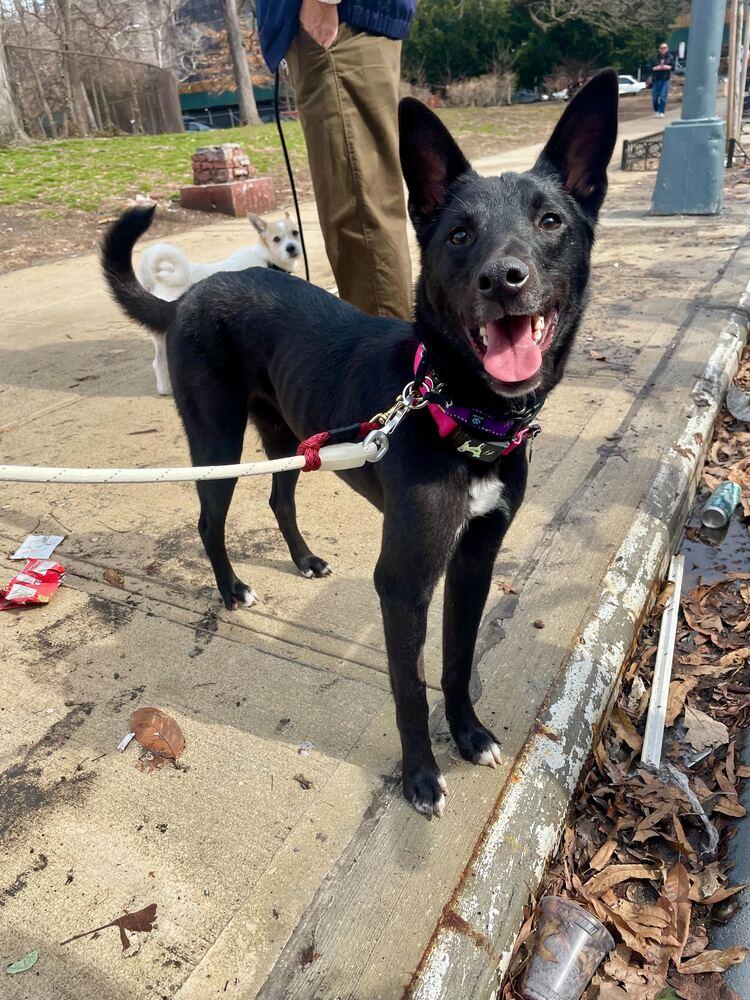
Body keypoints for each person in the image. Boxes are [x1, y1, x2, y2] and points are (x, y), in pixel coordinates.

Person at [256, 0, 416, 322]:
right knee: (366, 205)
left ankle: (388, 365)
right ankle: (396, 354)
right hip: (346, 23)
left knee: (358, 215)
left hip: (337, 23)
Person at [651, 42, 675, 117]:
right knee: (655, 97)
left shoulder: (670, 57)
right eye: (662, 48)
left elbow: (673, 67)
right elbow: (649, 67)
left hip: (665, 79)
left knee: (663, 96)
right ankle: (656, 110)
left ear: (667, 49)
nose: (663, 49)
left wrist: (667, 67)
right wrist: (656, 68)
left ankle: (662, 111)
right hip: (656, 79)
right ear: (659, 49)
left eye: (665, 48)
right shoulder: (654, 57)